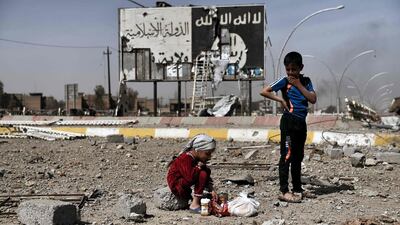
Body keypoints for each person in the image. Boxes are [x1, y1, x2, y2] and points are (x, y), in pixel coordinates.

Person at [260, 51, 317, 203]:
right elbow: (264, 91)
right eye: (288, 69)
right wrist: (280, 100)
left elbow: (312, 99)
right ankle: (284, 191)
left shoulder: (306, 81)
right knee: (287, 156)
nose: (291, 72)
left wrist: (298, 84)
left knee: (298, 157)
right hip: (289, 122)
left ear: (301, 68)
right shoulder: (284, 81)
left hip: (301, 123)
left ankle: (297, 189)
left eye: (294, 69)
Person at [167, 134, 218, 212]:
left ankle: (198, 199)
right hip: (177, 185)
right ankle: (194, 204)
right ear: (197, 150)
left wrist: (211, 189)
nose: (209, 157)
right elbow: (190, 177)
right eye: (207, 154)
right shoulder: (185, 158)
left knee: (205, 171)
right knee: (202, 173)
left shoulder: (195, 158)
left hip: (185, 184)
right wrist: (199, 167)